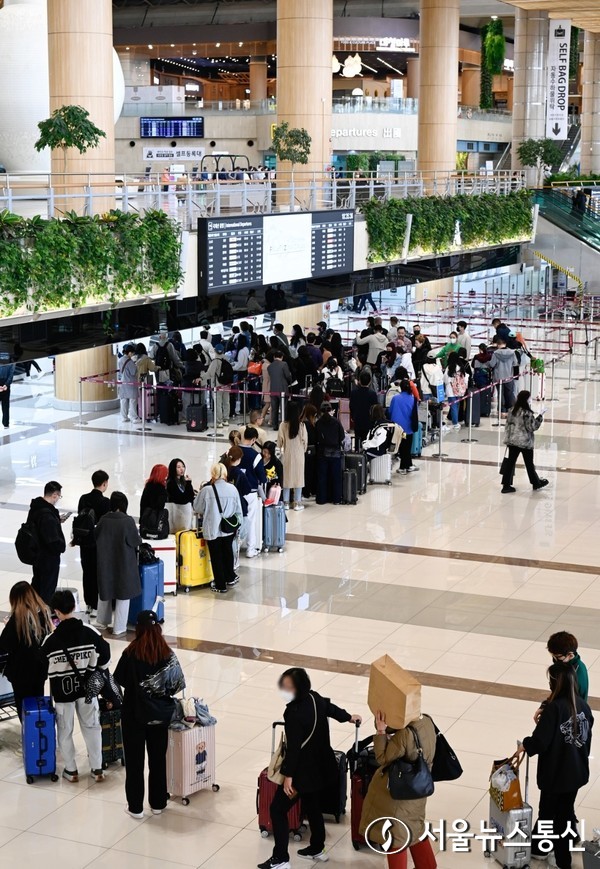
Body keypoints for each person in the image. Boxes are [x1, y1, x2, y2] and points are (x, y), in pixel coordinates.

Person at [258, 667, 361, 869]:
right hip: (322, 769)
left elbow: (294, 749)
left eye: (287, 686)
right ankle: (317, 848)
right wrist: (349, 717)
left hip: (302, 775)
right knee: (312, 805)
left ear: (297, 688)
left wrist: (288, 776)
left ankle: (280, 859)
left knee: (277, 810)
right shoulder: (315, 698)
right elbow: (331, 709)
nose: (283, 689)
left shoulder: (293, 713)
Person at [517, 663, 593, 869]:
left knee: (552, 815)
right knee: (564, 811)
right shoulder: (582, 706)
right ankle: (543, 848)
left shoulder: (554, 708)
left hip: (556, 774)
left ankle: (561, 859)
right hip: (576, 771)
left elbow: (540, 742)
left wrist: (525, 744)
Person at [114, 610, 186, 819]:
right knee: (158, 760)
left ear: (138, 628)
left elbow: (120, 679)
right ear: (158, 628)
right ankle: (158, 803)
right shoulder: (167, 654)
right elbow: (177, 684)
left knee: (135, 764)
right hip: (159, 717)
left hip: (133, 715)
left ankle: (135, 807)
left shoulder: (130, 653)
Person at [42, 589, 110, 784]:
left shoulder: (50, 641)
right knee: (92, 727)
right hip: (88, 690)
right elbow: (105, 657)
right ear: (74, 606)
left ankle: (71, 770)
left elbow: (41, 664)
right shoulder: (90, 632)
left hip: (63, 693)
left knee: (65, 730)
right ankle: (97, 768)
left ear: (56, 611)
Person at [359, 710, 437, 869]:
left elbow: (382, 757)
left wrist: (380, 732)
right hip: (419, 788)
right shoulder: (427, 721)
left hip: (400, 795)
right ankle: (428, 865)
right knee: (416, 828)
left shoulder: (405, 735)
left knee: (396, 837)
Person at [0, 581, 53, 719]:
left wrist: (7, 626)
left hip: (20, 671)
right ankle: (39, 731)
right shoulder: (45, 613)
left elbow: (4, 644)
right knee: (37, 702)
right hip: (40, 668)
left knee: (23, 706)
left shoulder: (18, 620)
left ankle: (28, 734)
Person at [95, 491, 142, 636]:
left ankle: (102, 622)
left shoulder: (103, 519)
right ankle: (119, 627)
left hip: (105, 562)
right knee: (123, 596)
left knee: (105, 593)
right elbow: (135, 541)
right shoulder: (127, 521)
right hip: (123, 564)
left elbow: (96, 536)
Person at [194, 463, 243, 593]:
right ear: (225, 474)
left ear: (213, 475)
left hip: (213, 528)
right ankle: (230, 577)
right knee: (228, 552)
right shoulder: (233, 489)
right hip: (229, 527)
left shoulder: (207, 490)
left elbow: (197, 507)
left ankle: (220, 585)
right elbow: (238, 509)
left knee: (216, 557)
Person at [76, 470, 111, 616]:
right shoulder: (105, 502)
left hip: (85, 541)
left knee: (87, 572)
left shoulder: (83, 499)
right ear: (104, 483)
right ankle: (97, 605)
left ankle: (89, 603)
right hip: (98, 543)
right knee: (98, 573)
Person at [500, 390, 548, 494]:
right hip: (525, 442)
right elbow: (532, 427)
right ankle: (536, 482)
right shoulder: (527, 413)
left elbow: (508, 426)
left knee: (510, 463)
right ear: (526, 399)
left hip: (512, 441)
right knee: (529, 464)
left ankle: (506, 486)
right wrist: (540, 417)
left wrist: (508, 439)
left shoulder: (512, 410)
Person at [27, 480, 67, 604]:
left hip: (37, 556)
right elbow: (52, 541)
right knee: (47, 590)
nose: (58, 499)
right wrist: (61, 546)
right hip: (48, 559)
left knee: (37, 584)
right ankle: (43, 616)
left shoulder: (36, 507)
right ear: (54, 495)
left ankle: (31, 612)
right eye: (59, 496)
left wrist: (56, 520)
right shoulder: (47, 516)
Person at [239, 427, 268, 558]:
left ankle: (235, 548)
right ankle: (251, 549)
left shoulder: (232, 451)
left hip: (234, 491)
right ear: (254, 440)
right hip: (250, 492)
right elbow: (262, 477)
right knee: (250, 520)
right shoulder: (255, 456)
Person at [277, 402, 308, 511]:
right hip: (299, 455)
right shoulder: (301, 425)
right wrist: (302, 451)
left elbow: (280, 442)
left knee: (287, 478)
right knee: (298, 478)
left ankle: (285, 502)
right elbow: (305, 442)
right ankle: (297, 502)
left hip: (287, 454)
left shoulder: (283, 425)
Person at [315, 402, 345, 505]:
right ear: (331, 410)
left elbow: (316, 437)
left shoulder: (318, 423)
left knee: (322, 477)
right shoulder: (336, 422)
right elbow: (342, 436)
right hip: (335, 452)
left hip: (322, 452)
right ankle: (336, 499)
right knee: (336, 477)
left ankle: (322, 499)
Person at [490, 338, 518, 417]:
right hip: (509, 377)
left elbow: (492, 364)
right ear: (505, 344)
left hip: (498, 378)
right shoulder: (512, 353)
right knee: (509, 394)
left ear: (498, 345)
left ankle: (502, 411)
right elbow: (515, 363)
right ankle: (510, 411)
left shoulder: (495, 353)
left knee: (500, 395)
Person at [350, 370, 379, 448]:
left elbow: (351, 406)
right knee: (367, 441)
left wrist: (352, 416)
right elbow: (375, 408)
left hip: (357, 419)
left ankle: (357, 456)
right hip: (369, 421)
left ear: (359, 381)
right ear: (369, 382)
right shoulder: (372, 394)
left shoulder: (354, 392)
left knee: (357, 440)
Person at [166, 458, 195, 533]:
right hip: (176, 515)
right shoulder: (171, 483)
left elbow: (191, 496)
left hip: (185, 515)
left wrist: (189, 483)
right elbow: (182, 499)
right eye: (178, 467)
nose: (182, 469)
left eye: (183, 466)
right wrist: (188, 484)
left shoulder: (183, 482)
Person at [206, 344, 231, 429]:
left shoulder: (215, 361)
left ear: (215, 351)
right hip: (227, 385)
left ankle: (219, 422)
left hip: (217, 386)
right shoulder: (227, 359)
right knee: (226, 402)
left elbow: (209, 374)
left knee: (218, 403)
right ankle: (226, 420)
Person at [267, 351, 292, 430]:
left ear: (274, 357)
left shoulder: (270, 366)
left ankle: (275, 425)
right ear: (282, 357)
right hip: (282, 389)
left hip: (273, 389)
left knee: (274, 409)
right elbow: (288, 376)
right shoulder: (284, 364)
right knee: (283, 408)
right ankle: (283, 425)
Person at [444, 351, 467, 429]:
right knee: (457, 405)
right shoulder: (461, 367)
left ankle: (455, 422)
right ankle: (456, 421)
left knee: (453, 406)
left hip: (451, 390)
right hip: (460, 390)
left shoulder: (449, 367)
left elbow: (446, 379)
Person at [118, 344, 140, 423]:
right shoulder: (130, 362)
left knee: (123, 400)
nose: (133, 354)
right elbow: (133, 372)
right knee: (133, 400)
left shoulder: (120, 360)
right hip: (131, 383)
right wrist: (136, 365)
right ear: (129, 353)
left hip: (123, 382)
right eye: (133, 353)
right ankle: (133, 417)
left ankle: (124, 417)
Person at [0, 355, 15, 429]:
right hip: (6, 386)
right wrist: (6, 385)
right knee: (5, 405)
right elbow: (11, 375)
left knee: (5, 404)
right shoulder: (11, 360)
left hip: (3, 385)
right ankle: (6, 423)